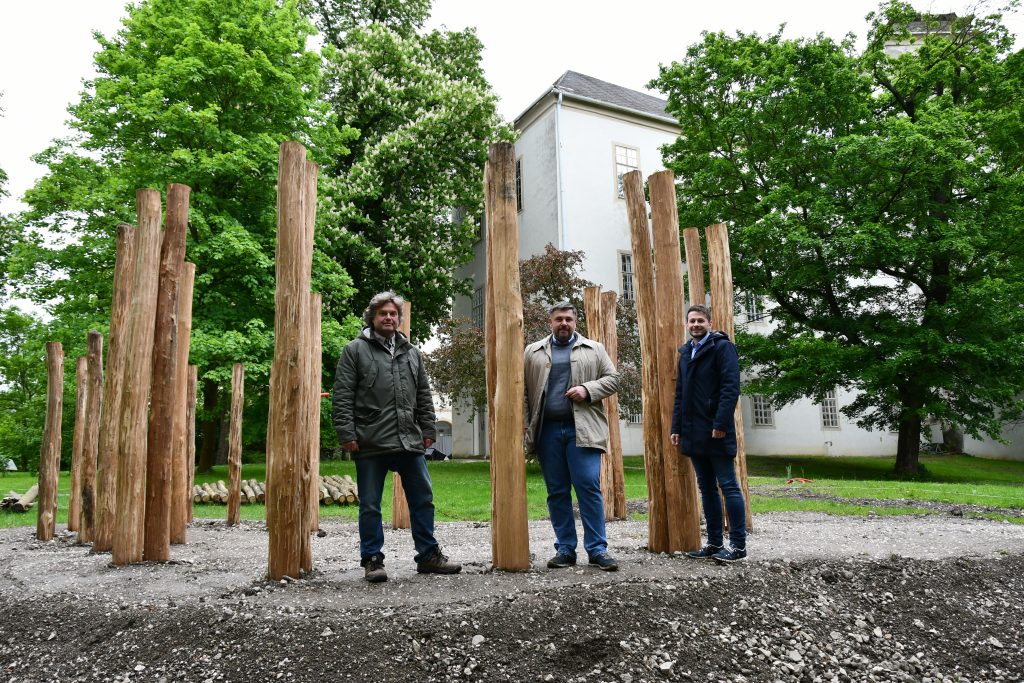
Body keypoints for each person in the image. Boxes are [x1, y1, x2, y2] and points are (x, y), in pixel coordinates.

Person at [332, 292, 461, 583]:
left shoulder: (412, 352)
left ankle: (428, 556)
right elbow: (342, 397)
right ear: (372, 318)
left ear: (399, 319)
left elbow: (424, 395)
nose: (388, 318)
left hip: (409, 440)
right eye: (383, 314)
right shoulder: (354, 350)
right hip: (369, 440)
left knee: (423, 499)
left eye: (393, 314)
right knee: (369, 504)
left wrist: (428, 429)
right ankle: (372, 560)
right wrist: (347, 434)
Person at [524, 302, 621, 571]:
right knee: (556, 491)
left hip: (584, 428)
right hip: (548, 431)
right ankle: (565, 548)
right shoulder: (532, 351)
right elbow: (523, 393)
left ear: (575, 322)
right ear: (550, 322)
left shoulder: (595, 349)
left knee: (588, 486)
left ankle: (597, 549)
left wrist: (587, 390)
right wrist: (525, 425)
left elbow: (613, 379)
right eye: (558, 319)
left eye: (568, 319)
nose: (563, 323)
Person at [670, 304, 747, 564]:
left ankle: (738, 546)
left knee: (728, 486)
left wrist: (721, 423)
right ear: (687, 324)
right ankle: (714, 543)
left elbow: (730, 387)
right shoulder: (685, 352)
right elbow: (680, 394)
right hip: (693, 432)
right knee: (706, 489)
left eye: (700, 320)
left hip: (716, 430)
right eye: (691, 321)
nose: (695, 325)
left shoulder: (722, 348)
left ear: (710, 323)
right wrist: (676, 428)